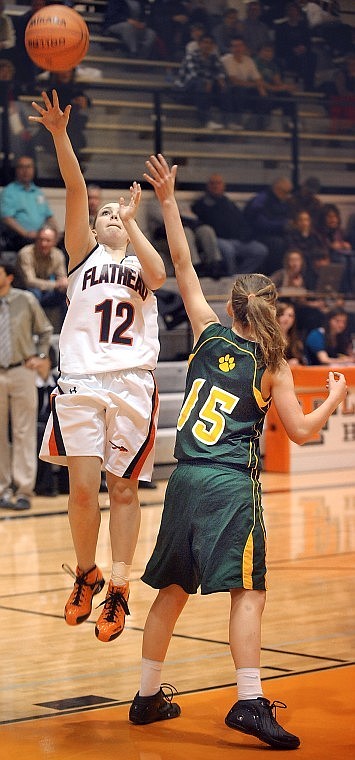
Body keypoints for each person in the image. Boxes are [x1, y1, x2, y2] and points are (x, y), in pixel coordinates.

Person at [128, 153, 347, 750]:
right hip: (229, 483)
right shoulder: (273, 363)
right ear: (271, 311)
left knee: (171, 590)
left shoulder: (205, 328)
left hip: (185, 477)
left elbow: (180, 262)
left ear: (231, 306)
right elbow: (300, 433)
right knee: (247, 592)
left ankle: (147, 695)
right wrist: (335, 397)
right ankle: (249, 702)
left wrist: (167, 199)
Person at [29, 90, 166, 642]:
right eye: (106, 213)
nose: (109, 216)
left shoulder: (138, 260)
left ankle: (119, 586)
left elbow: (160, 275)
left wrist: (133, 222)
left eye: (117, 212)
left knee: (124, 489)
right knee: (83, 488)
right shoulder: (82, 254)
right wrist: (61, 134)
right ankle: (86, 572)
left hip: (132, 380)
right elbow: (77, 187)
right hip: (83, 379)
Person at [0, 256, 53, 511]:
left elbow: (45, 330)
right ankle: (2, 488)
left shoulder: (26, 299)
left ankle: (23, 489)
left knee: (24, 431)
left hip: (21, 369)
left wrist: (41, 356)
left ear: (9, 276)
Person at [192, 173, 267, 275]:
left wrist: (245, 234)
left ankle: (240, 274)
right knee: (228, 250)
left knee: (260, 250)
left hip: (237, 239)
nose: (215, 186)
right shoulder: (201, 204)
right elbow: (203, 226)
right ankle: (230, 276)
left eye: (218, 183)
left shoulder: (228, 203)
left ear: (223, 186)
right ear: (208, 186)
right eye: (213, 183)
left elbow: (241, 221)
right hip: (218, 239)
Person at [146, 193, 223, 278]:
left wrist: (185, 219)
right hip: (164, 238)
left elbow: (193, 218)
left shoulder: (180, 202)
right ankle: (195, 266)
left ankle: (214, 264)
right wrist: (184, 219)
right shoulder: (153, 204)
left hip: (187, 230)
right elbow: (169, 220)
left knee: (206, 230)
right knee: (185, 232)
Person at [0, 154, 58, 251]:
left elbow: (49, 216)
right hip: (20, 238)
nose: (25, 170)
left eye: (28, 167)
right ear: (16, 170)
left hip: (40, 236)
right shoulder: (9, 191)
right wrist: (26, 233)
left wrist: (55, 233)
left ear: (33, 169)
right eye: (22, 167)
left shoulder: (38, 192)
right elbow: (7, 219)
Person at [173, 33, 229, 129]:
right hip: (184, 91)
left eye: (210, 43)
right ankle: (206, 121)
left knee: (225, 86)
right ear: (199, 44)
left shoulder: (214, 58)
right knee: (200, 82)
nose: (207, 45)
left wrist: (218, 80)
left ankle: (228, 121)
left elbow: (221, 72)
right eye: (205, 42)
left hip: (203, 91)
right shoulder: (191, 56)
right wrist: (211, 79)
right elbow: (196, 74)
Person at [17, 225, 68, 329]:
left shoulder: (58, 254)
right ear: (36, 239)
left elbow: (62, 279)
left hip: (46, 290)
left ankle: (64, 330)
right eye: (41, 239)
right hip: (23, 291)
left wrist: (64, 284)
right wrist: (56, 284)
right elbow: (29, 281)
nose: (43, 243)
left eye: (48, 240)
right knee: (33, 294)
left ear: (54, 242)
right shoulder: (26, 253)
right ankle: (34, 331)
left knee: (67, 295)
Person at [243, 176, 293, 274]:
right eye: (286, 192)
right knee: (278, 244)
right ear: (277, 189)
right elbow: (258, 222)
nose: (288, 195)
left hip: (277, 233)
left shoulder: (282, 202)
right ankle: (273, 274)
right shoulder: (261, 200)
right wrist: (282, 225)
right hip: (258, 234)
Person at [221, 36, 268, 129]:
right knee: (239, 90)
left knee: (264, 97)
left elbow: (257, 78)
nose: (237, 49)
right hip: (230, 89)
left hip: (246, 89)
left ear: (244, 47)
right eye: (234, 46)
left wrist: (262, 91)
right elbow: (234, 80)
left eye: (239, 46)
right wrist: (254, 85)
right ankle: (235, 121)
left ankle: (256, 125)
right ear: (230, 48)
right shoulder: (226, 59)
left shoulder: (249, 60)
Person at [276, 300, 305, 365]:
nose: (286, 319)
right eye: (282, 314)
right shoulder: (268, 340)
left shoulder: (296, 341)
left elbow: (303, 362)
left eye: (290, 316)